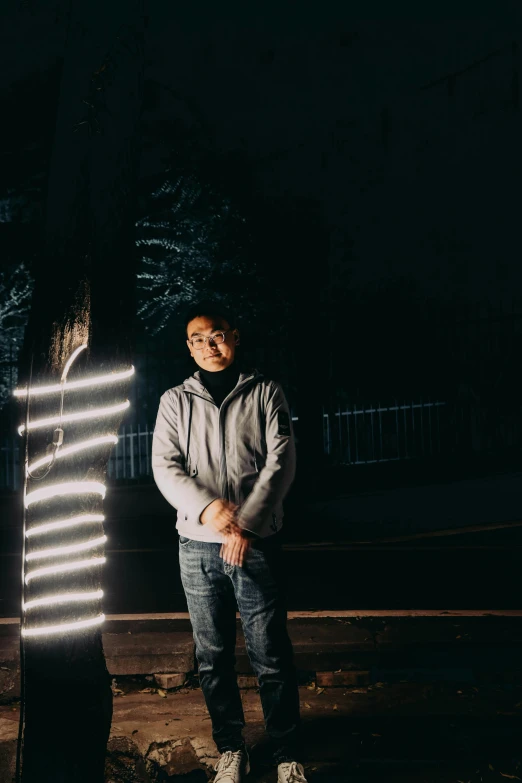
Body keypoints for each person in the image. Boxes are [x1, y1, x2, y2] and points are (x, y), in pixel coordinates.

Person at [152, 301, 307, 783]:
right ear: (188, 347)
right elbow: (164, 465)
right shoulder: (174, 401)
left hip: (256, 544)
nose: (208, 345)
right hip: (197, 546)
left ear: (234, 337)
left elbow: (280, 463)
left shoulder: (265, 393)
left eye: (216, 335)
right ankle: (230, 748)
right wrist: (207, 509)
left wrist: (245, 526)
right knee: (212, 654)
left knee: (270, 653)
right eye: (197, 339)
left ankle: (286, 754)